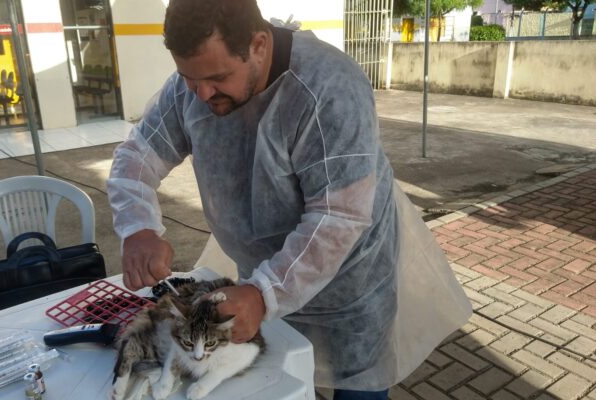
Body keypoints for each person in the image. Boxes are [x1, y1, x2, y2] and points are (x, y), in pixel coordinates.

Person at [107, 0, 472, 398]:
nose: (202, 94)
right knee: (286, 378)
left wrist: (266, 293)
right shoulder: (190, 88)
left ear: (259, 45)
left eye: (217, 77)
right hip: (262, 277)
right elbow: (138, 154)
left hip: (348, 285)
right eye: (190, 79)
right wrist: (138, 225)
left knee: (358, 386)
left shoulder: (329, 88)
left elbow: (339, 216)